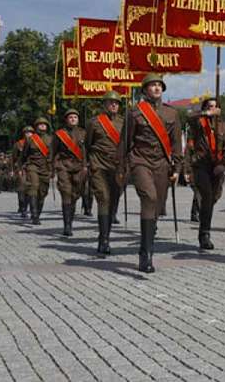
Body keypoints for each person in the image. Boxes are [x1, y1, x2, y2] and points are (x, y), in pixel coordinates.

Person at [128, 74, 182, 272]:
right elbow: (125, 143)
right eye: (152, 85)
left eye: (159, 85)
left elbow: (176, 143)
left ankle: (148, 243)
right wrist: (121, 168)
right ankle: (146, 254)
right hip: (140, 161)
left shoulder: (172, 113)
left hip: (162, 164)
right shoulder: (134, 113)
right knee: (149, 198)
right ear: (144, 90)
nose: (157, 88)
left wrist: (177, 168)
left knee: (157, 206)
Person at [186, 97, 225, 250]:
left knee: (214, 197)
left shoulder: (223, 125)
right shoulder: (198, 122)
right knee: (206, 196)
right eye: (209, 106)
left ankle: (204, 219)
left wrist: (224, 162)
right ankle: (204, 234)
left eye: (215, 106)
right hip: (201, 164)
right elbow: (189, 117)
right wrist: (205, 113)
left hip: (217, 166)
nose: (213, 108)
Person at [86, 90, 124, 255]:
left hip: (117, 168)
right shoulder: (94, 123)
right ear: (104, 104)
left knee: (113, 202)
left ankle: (106, 235)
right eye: (110, 102)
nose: (113, 105)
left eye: (116, 103)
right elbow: (87, 144)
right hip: (99, 166)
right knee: (104, 199)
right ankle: (104, 240)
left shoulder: (124, 123)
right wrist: (88, 164)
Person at [52, 108, 86, 237]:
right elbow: (53, 152)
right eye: (70, 117)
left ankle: (70, 221)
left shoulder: (83, 133)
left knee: (75, 195)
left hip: (78, 167)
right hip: (63, 166)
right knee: (66, 193)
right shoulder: (59, 134)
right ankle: (67, 225)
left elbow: (86, 151)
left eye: (75, 117)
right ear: (66, 120)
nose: (73, 119)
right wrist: (52, 168)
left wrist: (86, 166)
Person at [21, 117, 53, 225]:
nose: (42, 126)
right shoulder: (30, 139)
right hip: (32, 166)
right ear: (36, 126)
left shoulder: (51, 139)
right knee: (33, 187)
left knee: (42, 192)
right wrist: (22, 167)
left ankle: (37, 213)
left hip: (45, 168)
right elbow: (24, 154)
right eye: (40, 124)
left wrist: (53, 169)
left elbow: (53, 155)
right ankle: (34, 214)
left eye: (44, 124)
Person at [12, 126, 33, 218]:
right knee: (21, 188)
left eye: (30, 132)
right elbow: (13, 158)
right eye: (26, 132)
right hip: (22, 169)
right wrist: (12, 170)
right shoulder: (18, 144)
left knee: (30, 189)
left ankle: (26, 207)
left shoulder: (36, 143)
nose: (28, 134)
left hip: (32, 168)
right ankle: (22, 207)